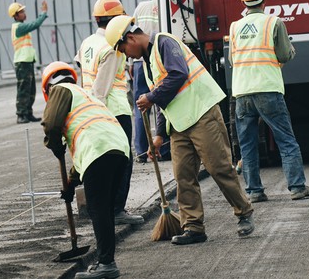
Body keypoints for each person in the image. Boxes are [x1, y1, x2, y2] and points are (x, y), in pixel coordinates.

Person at [105, 15, 254, 245]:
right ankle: (193, 226)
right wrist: (158, 135)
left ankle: (243, 211)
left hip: (201, 112)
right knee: (183, 175)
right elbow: (164, 99)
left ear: (131, 37)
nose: (125, 55)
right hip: (179, 123)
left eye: (123, 48)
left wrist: (151, 98)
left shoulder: (165, 43)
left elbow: (179, 74)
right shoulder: (147, 64)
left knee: (219, 167)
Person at [228, 0, 309, 203]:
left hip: (242, 92)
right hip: (268, 90)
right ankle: (297, 186)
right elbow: (285, 55)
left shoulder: (235, 26)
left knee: (247, 144)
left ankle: (254, 191)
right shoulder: (274, 23)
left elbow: (232, 59)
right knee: (285, 139)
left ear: (243, 2)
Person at [40, 61, 129, 279]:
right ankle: (106, 261)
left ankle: (106, 265)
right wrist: (71, 184)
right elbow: (87, 146)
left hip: (99, 150)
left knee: (98, 209)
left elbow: (51, 125)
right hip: (119, 148)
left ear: (48, 87)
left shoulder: (59, 90)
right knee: (105, 209)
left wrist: (55, 146)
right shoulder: (85, 95)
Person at [75, 0, 143, 225]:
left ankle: (103, 207)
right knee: (123, 159)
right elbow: (101, 88)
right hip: (113, 109)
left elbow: (82, 71)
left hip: (90, 109)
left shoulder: (87, 42)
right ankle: (116, 209)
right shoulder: (112, 47)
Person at [131, 0, 170, 163]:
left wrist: (131, 64)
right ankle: (163, 148)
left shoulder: (140, 7)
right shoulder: (167, 7)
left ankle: (140, 151)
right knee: (163, 102)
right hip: (159, 59)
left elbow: (131, 33)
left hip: (138, 63)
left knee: (140, 107)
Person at [8, 0, 48, 124]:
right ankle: (21, 114)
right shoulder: (18, 27)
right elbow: (35, 24)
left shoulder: (21, 27)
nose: (24, 14)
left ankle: (28, 113)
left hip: (27, 61)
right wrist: (43, 13)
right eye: (21, 12)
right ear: (15, 15)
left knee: (30, 89)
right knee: (23, 89)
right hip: (22, 62)